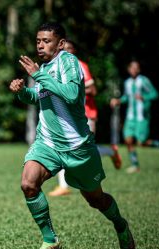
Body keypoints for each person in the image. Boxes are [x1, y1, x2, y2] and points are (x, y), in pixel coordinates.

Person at [9, 22, 135, 249]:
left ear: (61, 44)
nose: (40, 45)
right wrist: (23, 91)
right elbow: (40, 97)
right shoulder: (43, 68)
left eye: (46, 40)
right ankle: (50, 239)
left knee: (95, 200)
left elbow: (71, 95)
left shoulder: (68, 62)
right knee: (28, 184)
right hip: (47, 143)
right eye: (38, 41)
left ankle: (120, 224)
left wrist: (38, 75)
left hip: (77, 147)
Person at [50, 39, 122, 197]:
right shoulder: (57, 66)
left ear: (74, 51)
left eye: (69, 48)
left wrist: (73, 89)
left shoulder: (80, 65)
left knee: (85, 150)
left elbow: (93, 90)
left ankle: (110, 151)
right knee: (63, 147)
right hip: (68, 116)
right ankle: (63, 186)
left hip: (86, 114)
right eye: (63, 48)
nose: (66, 51)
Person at [110, 60, 159, 174]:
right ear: (129, 69)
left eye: (136, 68)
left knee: (141, 143)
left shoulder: (144, 81)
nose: (134, 70)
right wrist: (118, 101)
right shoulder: (127, 82)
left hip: (141, 117)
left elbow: (155, 94)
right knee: (128, 140)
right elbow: (126, 97)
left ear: (139, 70)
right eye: (132, 68)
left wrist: (144, 96)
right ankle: (135, 165)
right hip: (130, 117)